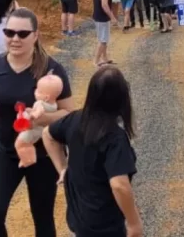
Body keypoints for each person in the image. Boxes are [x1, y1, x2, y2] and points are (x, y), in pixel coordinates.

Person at [0, 8, 75, 237]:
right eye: (9, 32)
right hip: (5, 150)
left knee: (42, 216)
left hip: (43, 153)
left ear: (35, 35)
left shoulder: (52, 70)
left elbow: (69, 113)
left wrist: (41, 117)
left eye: (22, 34)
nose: (15, 39)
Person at [44, 65, 142, 237]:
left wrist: (62, 169)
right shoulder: (115, 137)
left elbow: (47, 134)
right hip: (106, 226)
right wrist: (134, 223)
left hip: (79, 220)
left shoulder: (75, 119)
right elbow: (119, 185)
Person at [94, 0, 118, 67]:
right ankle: (96, 60)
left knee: (104, 39)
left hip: (99, 16)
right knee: (103, 40)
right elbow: (104, 4)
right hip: (102, 17)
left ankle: (105, 58)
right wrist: (112, 17)